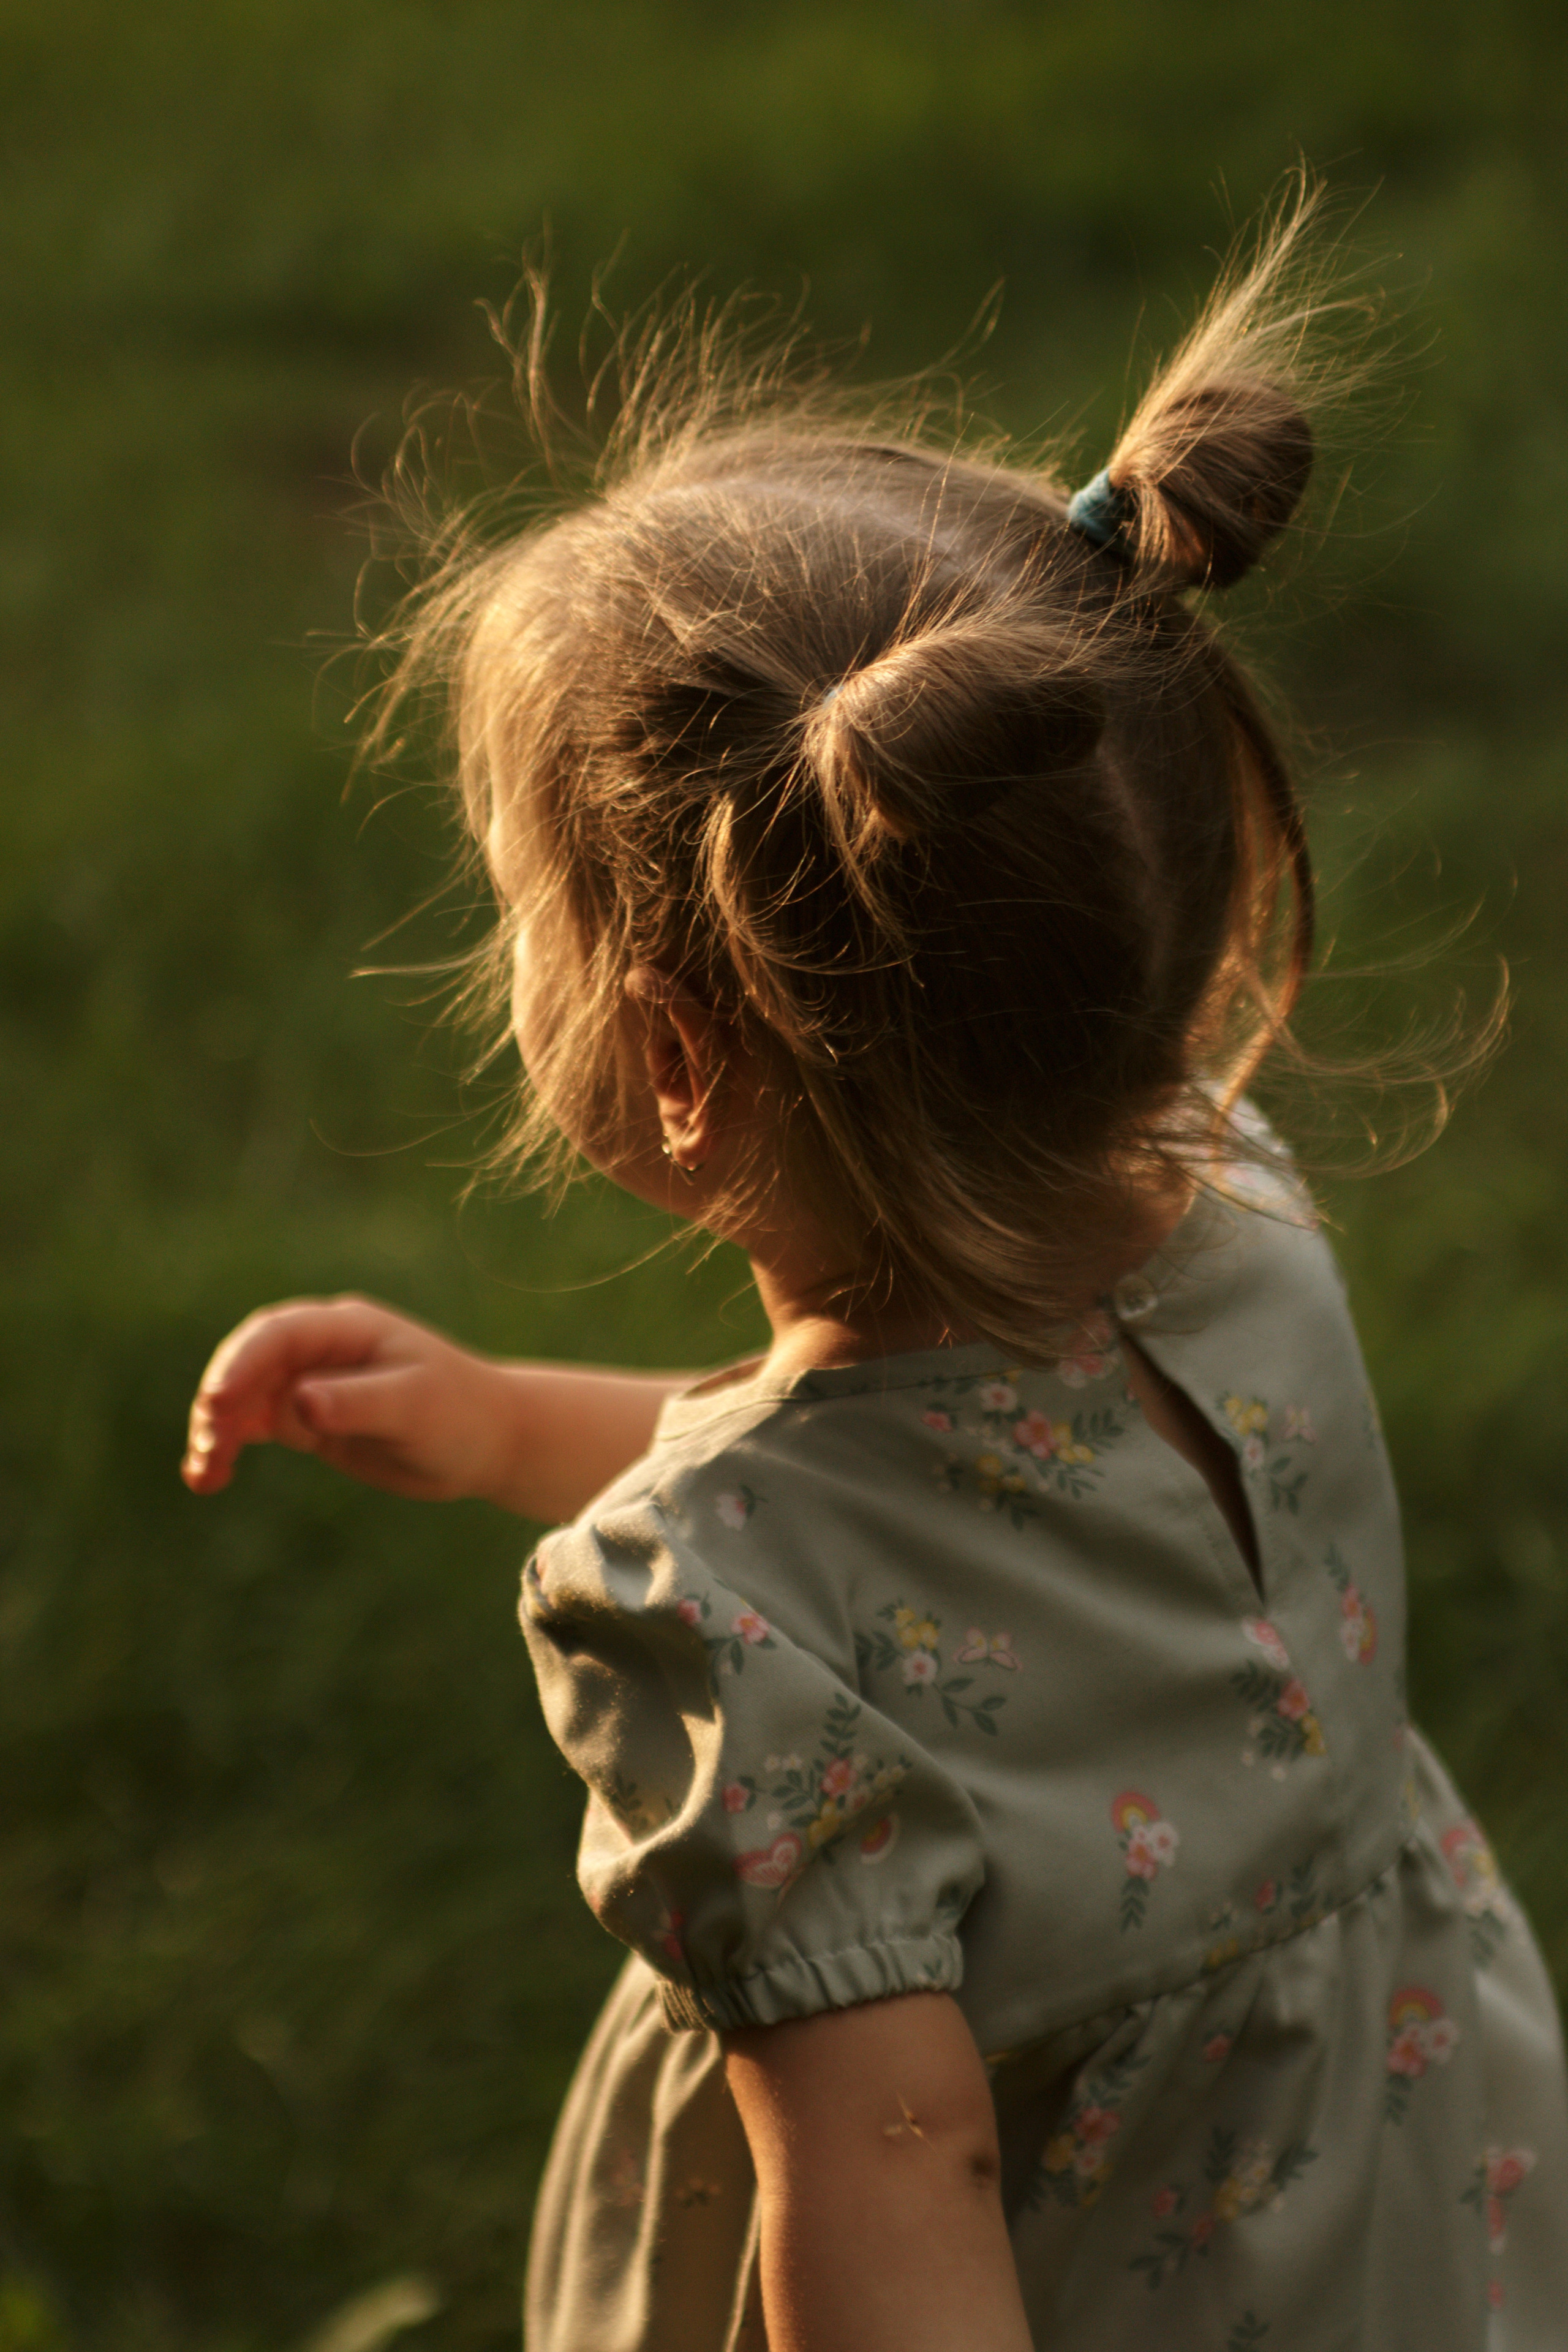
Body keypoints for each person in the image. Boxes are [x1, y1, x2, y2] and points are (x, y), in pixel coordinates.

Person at [181, 198, 1568, 2350]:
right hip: (1379, 2153)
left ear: (671, 1052)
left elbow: (897, 2164)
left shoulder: (707, 1619)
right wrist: (492, 1425)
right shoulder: (1240, 1211)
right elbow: (933, 1554)